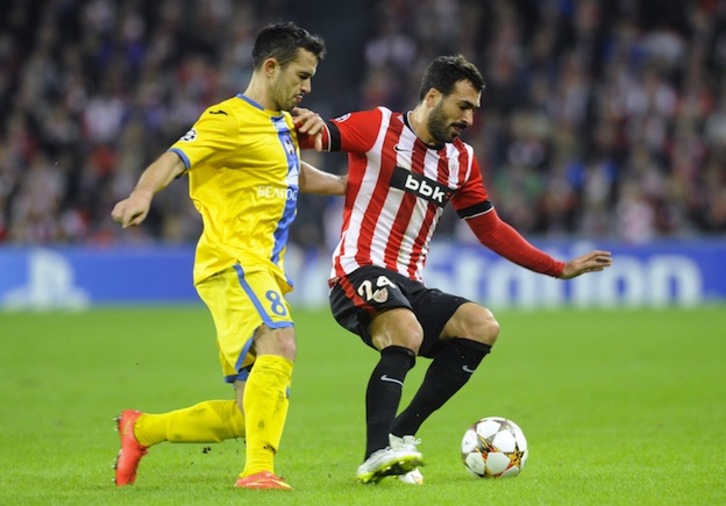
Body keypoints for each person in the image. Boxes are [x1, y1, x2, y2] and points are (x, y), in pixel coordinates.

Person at [315, 54, 613, 484]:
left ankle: (402, 434)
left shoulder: (461, 160)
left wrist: (558, 268)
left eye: (474, 108)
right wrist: (288, 127)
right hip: (357, 269)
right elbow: (315, 135)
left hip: (408, 281)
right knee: (406, 333)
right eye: (463, 106)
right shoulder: (377, 127)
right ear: (433, 97)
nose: (470, 118)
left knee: (481, 324)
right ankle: (374, 453)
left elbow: (490, 229)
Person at [110, 21, 343, 491]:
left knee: (245, 414)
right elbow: (176, 158)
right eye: (301, 76)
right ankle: (258, 472)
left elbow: (292, 172)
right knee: (282, 341)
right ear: (270, 67)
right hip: (233, 260)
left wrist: (349, 186)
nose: (308, 87)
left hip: (259, 268)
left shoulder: (280, 123)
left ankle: (142, 429)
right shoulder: (226, 119)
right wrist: (141, 194)